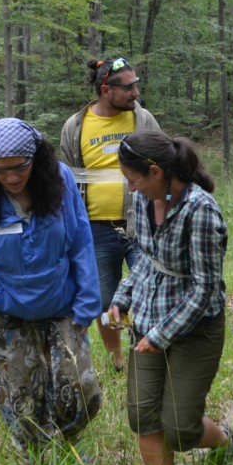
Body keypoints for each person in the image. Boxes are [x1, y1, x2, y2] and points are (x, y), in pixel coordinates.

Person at [0, 118, 102, 452]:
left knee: (80, 395)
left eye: (20, 167)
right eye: (0, 170)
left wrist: (88, 301)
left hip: (63, 307)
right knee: (21, 402)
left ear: (37, 159)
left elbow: (80, 241)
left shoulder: (60, 180)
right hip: (6, 315)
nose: (12, 178)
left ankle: (71, 449)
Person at [107, 130, 233, 465]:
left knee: (179, 428)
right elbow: (148, 258)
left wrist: (162, 335)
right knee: (143, 417)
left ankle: (226, 441)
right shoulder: (143, 200)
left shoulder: (200, 211)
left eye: (134, 180)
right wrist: (123, 294)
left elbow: (205, 288)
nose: (131, 188)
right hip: (148, 321)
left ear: (156, 172)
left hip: (195, 331)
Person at [61, 56, 160, 373]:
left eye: (136, 85)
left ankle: (145, 351)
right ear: (106, 89)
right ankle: (118, 357)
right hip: (97, 231)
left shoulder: (143, 120)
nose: (135, 93)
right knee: (104, 301)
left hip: (142, 226)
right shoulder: (75, 126)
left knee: (150, 290)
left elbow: (164, 165)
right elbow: (69, 180)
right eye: (128, 87)